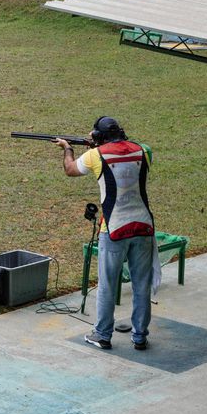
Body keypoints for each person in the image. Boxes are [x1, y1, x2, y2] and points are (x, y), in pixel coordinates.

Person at [55, 117, 155, 351]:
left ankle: (102, 335)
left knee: (108, 285)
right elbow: (124, 154)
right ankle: (140, 336)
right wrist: (98, 145)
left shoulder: (95, 156)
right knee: (142, 285)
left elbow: (70, 170)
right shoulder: (144, 151)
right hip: (143, 225)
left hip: (113, 229)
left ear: (98, 137)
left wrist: (68, 148)